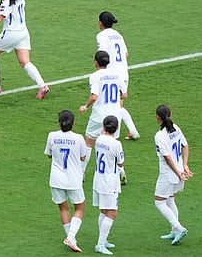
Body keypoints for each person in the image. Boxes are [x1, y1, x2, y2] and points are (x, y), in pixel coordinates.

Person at [79, 51, 127, 181]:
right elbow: (124, 95)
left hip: (99, 114)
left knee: (88, 142)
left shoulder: (95, 76)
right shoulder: (117, 75)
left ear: (96, 62)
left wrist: (85, 107)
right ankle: (120, 171)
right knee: (113, 142)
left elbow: (94, 96)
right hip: (115, 114)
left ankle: (81, 172)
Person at [44, 110, 87, 253]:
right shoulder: (79, 138)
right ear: (73, 123)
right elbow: (83, 157)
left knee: (63, 208)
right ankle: (71, 237)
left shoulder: (52, 136)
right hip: (73, 179)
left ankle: (71, 238)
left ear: (58, 123)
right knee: (79, 208)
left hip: (56, 180)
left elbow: (49, 155)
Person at [96, 11, 140, 141]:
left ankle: (114, 135)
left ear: (100, 22)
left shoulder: (101, 35)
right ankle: (132, 131)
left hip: (112, 74)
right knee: (118, 105)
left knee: (114, 105)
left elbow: (102, 54)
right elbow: (126, 54)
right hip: (123, 72)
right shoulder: (118, 35)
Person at [154, 104, 193, 245]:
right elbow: (185, 145)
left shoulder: (159, 136)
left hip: (168, 175)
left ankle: (179, 228)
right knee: (170, 200)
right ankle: (174, 232)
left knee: (159, 202)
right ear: (170, 115)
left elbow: (167, 158)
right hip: (179, 172)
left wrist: (178, 172)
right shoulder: (176, 128)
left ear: (157, 118)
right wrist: (184, 165)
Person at [92, 115, 124, 255]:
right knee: (112, 213)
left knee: (104, 211)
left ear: (104, 127)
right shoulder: (116, 144)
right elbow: (120, 163)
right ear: (116, 128)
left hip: (98, 179)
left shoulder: (98, 139)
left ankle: (103, 241)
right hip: (109, 182)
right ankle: (100, 244)